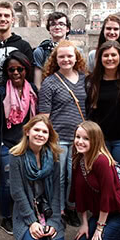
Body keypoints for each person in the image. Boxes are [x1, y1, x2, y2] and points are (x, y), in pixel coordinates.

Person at [0, 51, 39, 235]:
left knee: (30, 181)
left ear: (26, 70)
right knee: (7, 183)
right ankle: (7, 216)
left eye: (19, 69)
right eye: (11, 69)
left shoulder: (33, 92)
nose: (15, 73)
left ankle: (27, 213)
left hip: (29, 144)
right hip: (8, 145)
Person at [39, 40, 87, 227]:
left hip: (80, 139)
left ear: (76, 58)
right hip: (58, 137)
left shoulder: (84, 79)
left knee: (74, 175)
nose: (66, 59)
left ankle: (71, 207)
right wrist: (46, 139)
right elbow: (44, 115)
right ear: (55, 59)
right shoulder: (50, 82)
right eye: (62, 56)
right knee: (58, 176)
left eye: (69, 56)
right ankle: (57, 210)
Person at [9, 114, 65, 240]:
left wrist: (53, 222)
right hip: (26, 212)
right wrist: (32, 222)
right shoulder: (16, 156)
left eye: (45, 132)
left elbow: (57, 194)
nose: (40, 134)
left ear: (49, 136)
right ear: (27, 132)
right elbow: (17, 193)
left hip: (48, 211)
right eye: (37, 130)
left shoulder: (54, 158)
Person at [86, 40, 120, 169]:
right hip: (100, 140)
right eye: (106, 55)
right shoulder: (92, 82)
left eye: (113, 55)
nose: (110, 58)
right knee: (101, 177)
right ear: (100, 58)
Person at [33, 12, 71, 88]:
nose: (57, 27)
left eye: (61, 24)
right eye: (53, 24)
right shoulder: (40, 51)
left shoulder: (76, 51)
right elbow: (38, 83)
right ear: (49, 29)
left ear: (67, 29)